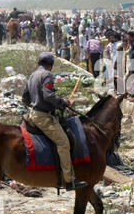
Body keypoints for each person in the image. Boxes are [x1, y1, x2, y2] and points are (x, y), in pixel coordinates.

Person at [22, 53, 88, 191]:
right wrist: (63, 102)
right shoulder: (46, 75)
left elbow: (25, 98)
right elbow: (48, 95)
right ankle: (69, 180)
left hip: (33, 113)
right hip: (43, 117)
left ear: (38, 62)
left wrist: (36, 103)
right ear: (51, 65)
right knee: (64, 143)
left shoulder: (33, 75)